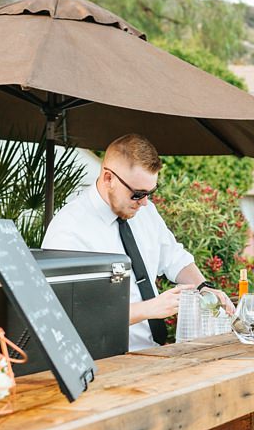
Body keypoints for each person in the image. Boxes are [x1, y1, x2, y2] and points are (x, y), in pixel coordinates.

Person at [42, 134, 234, 352]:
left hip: (152, 351)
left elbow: (175, 258)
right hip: (102, 360)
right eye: (137, 194)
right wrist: (149, 309)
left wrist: (204, 288)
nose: (145, 202)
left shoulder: (146, 212)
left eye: (150, 193)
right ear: (108, 178)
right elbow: (72, 316)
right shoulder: (69, 229)